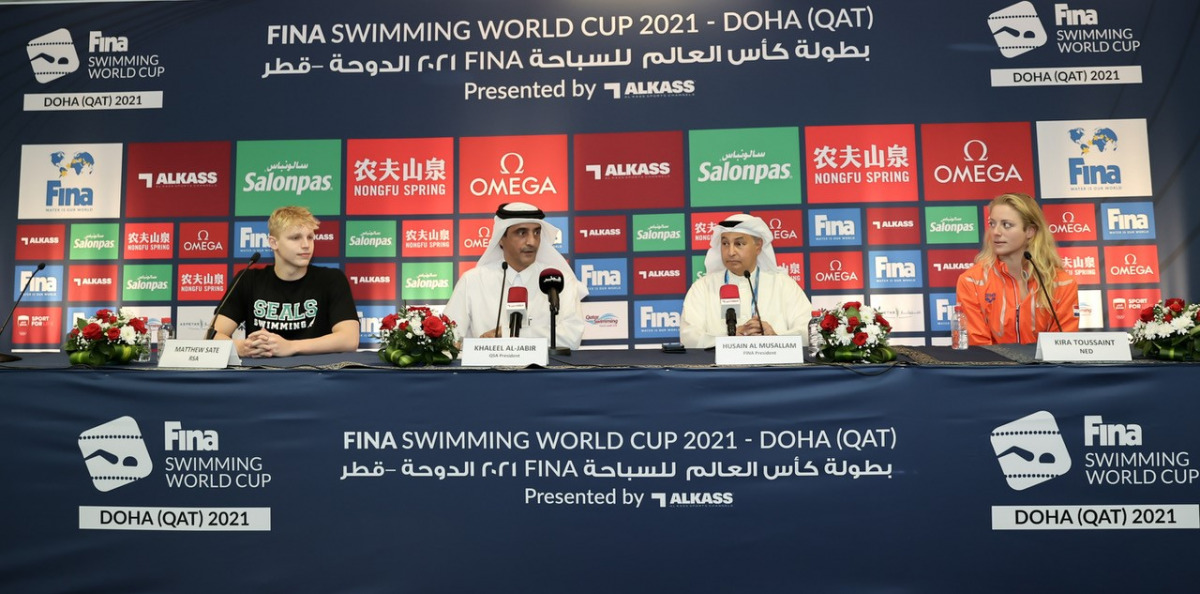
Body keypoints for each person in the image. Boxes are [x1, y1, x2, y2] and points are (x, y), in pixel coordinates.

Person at [212, 205, 360, 357]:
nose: (306, 245)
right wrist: (243, 347)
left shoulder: (331, 279)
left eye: (310, 237)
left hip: (315, 376)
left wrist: (290, 346)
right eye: (296, 238)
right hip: (261, 376)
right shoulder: (248, 280)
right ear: (273, 243)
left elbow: (349, 339)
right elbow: (212, 337)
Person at [442, 202, 587, 349]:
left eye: (536, 232)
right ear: (500, 238)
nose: (532, 242)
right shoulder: (473, 281)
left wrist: (507, 334)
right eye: (522, 233)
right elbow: (448, 337)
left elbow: (571, 338)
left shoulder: (559, 281)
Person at [956, 192, 1079, 345]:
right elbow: (979, 349)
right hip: (993, 367)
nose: (996, 232)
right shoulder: (972, 281)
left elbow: (1063, 347)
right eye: (992, 224)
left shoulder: (1063, 284)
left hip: (1045, 369)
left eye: (1006, 225)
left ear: (1030, 231)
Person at [680, 213, 812, 349]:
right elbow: (689, 336)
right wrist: (728, 339)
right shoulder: (703, 287)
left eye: (739, 244)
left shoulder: (783, 285)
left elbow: (809, 332)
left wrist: (775, 338)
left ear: (758, 246)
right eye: (725, 243)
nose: (730, 252)